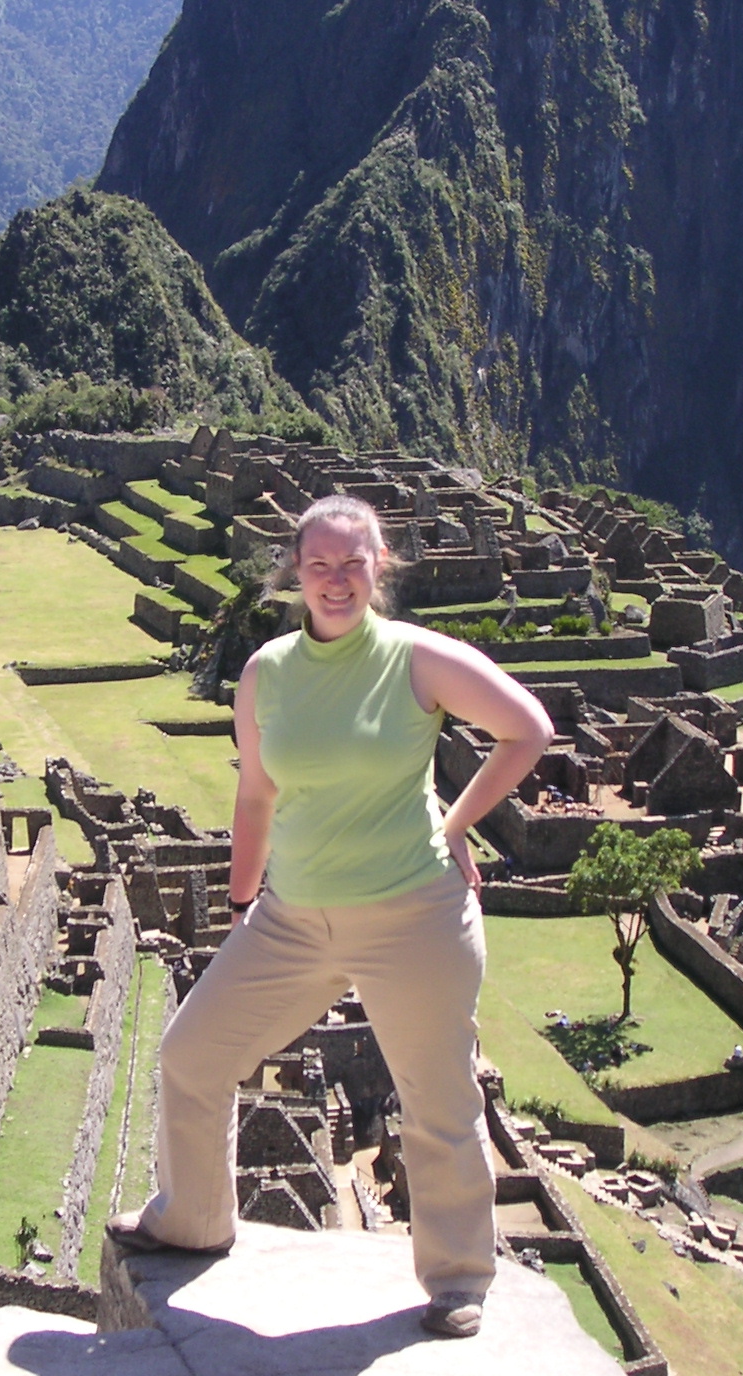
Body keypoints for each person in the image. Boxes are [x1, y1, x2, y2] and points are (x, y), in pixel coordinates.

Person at [106, 493, 554, 1340]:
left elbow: (526, 730)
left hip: (413, 913)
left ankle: (459, 1278)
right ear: (297, 573)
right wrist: (241, 903)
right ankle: (194, 1219)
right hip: (293, 917)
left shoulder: (417, 658)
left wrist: (454, 825)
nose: (337, 580)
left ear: (379, 568)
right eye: (321, 565)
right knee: (192, 1056)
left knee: (438, 1098)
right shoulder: (267, 672)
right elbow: (255, 792)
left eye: (355, 564)